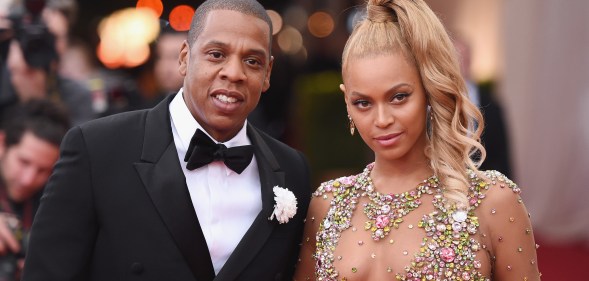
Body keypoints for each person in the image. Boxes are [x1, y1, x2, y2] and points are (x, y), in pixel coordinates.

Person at [22, 0, 311, 280]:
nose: (234, 73)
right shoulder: (97, 149)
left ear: (267, 74)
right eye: (216, 54)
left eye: (252, 61)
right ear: (185, 58)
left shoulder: (291, 169)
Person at [294, 0, 540, 280]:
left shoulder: (494, 201)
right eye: (363, 102)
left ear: (429, 91)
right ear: (346, 101)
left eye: (399, 97)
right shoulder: (327, 204)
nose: (382, 118)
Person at [0, 99, 69, 280]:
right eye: (24, 162)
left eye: (43, 170)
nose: (28, 180)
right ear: (1, 143)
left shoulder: (58, 201)